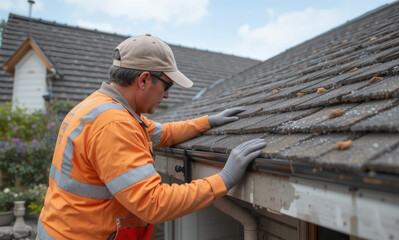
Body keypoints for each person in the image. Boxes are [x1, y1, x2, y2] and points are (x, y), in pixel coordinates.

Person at [36, 34, 266, 240]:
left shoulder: (104, 108)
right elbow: (153, 203)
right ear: (144, 80)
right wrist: (223, 180)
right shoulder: (114, 124)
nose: (166, 95)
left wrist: (207, 121)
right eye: (168, 86)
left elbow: (163, 133)